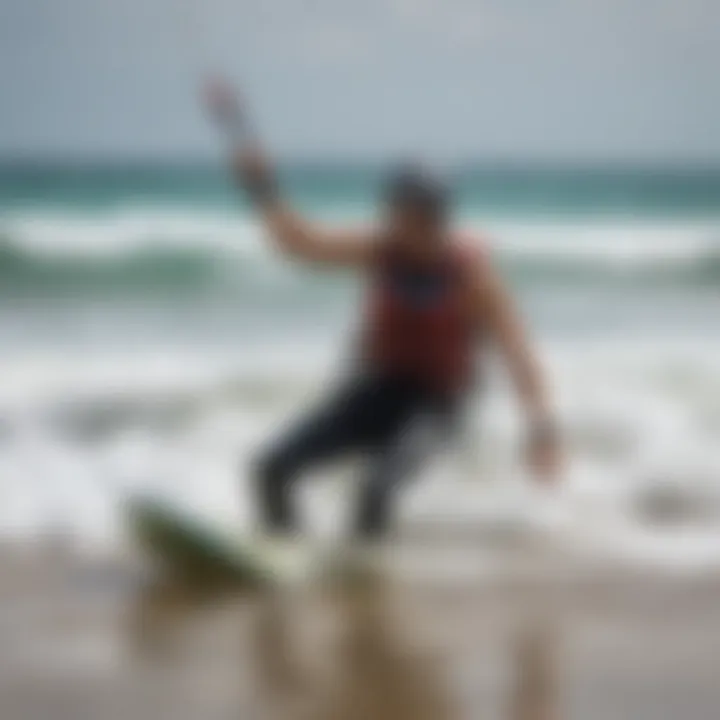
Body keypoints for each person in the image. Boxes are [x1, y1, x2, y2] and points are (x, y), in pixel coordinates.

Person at [204, 80, 561, 564]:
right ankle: (284, 558)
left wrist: (541, 429)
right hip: (378, 389)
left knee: (374, 490)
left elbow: (519, 355)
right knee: (269, 470)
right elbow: (297, 243)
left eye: (406, 212)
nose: (393, 220)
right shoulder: (380, 248)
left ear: (435, 216)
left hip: (439, 405)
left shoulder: (473, 277)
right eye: (393, 209)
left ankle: (360, 585)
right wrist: (261, 186)